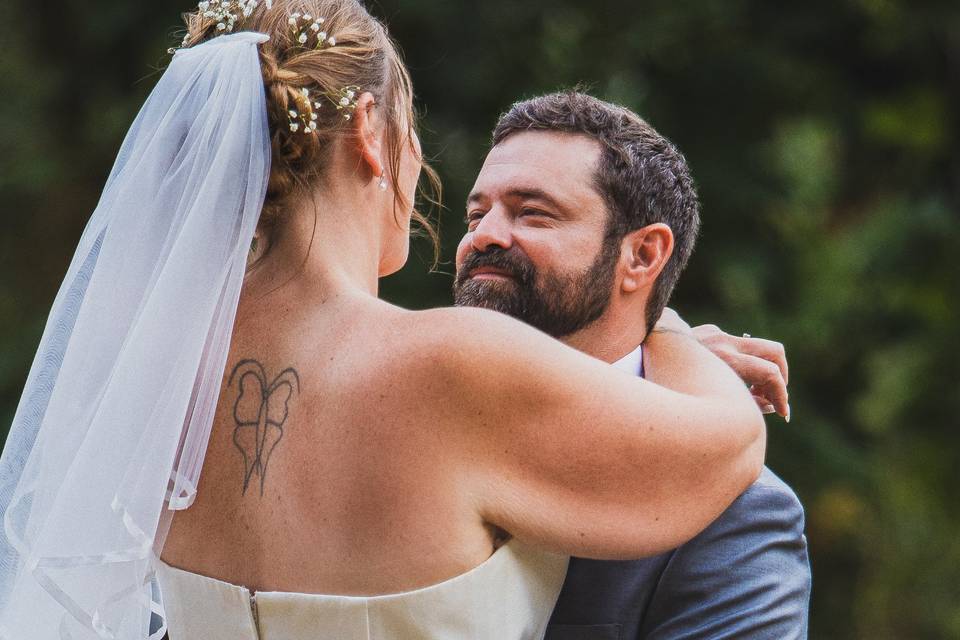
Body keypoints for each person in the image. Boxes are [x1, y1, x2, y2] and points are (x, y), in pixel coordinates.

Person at [0, 2, 766, 639]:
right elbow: (729, 446)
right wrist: (667, 332)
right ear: (369, 129)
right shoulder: (453, 364)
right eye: (412, 138)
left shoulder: (152, 383)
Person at [453, 91, 811, 639]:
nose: (485, 236)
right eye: (477, 213)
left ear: (642, 256)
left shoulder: (737, 515)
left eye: (533, 214)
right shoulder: (403, 427)